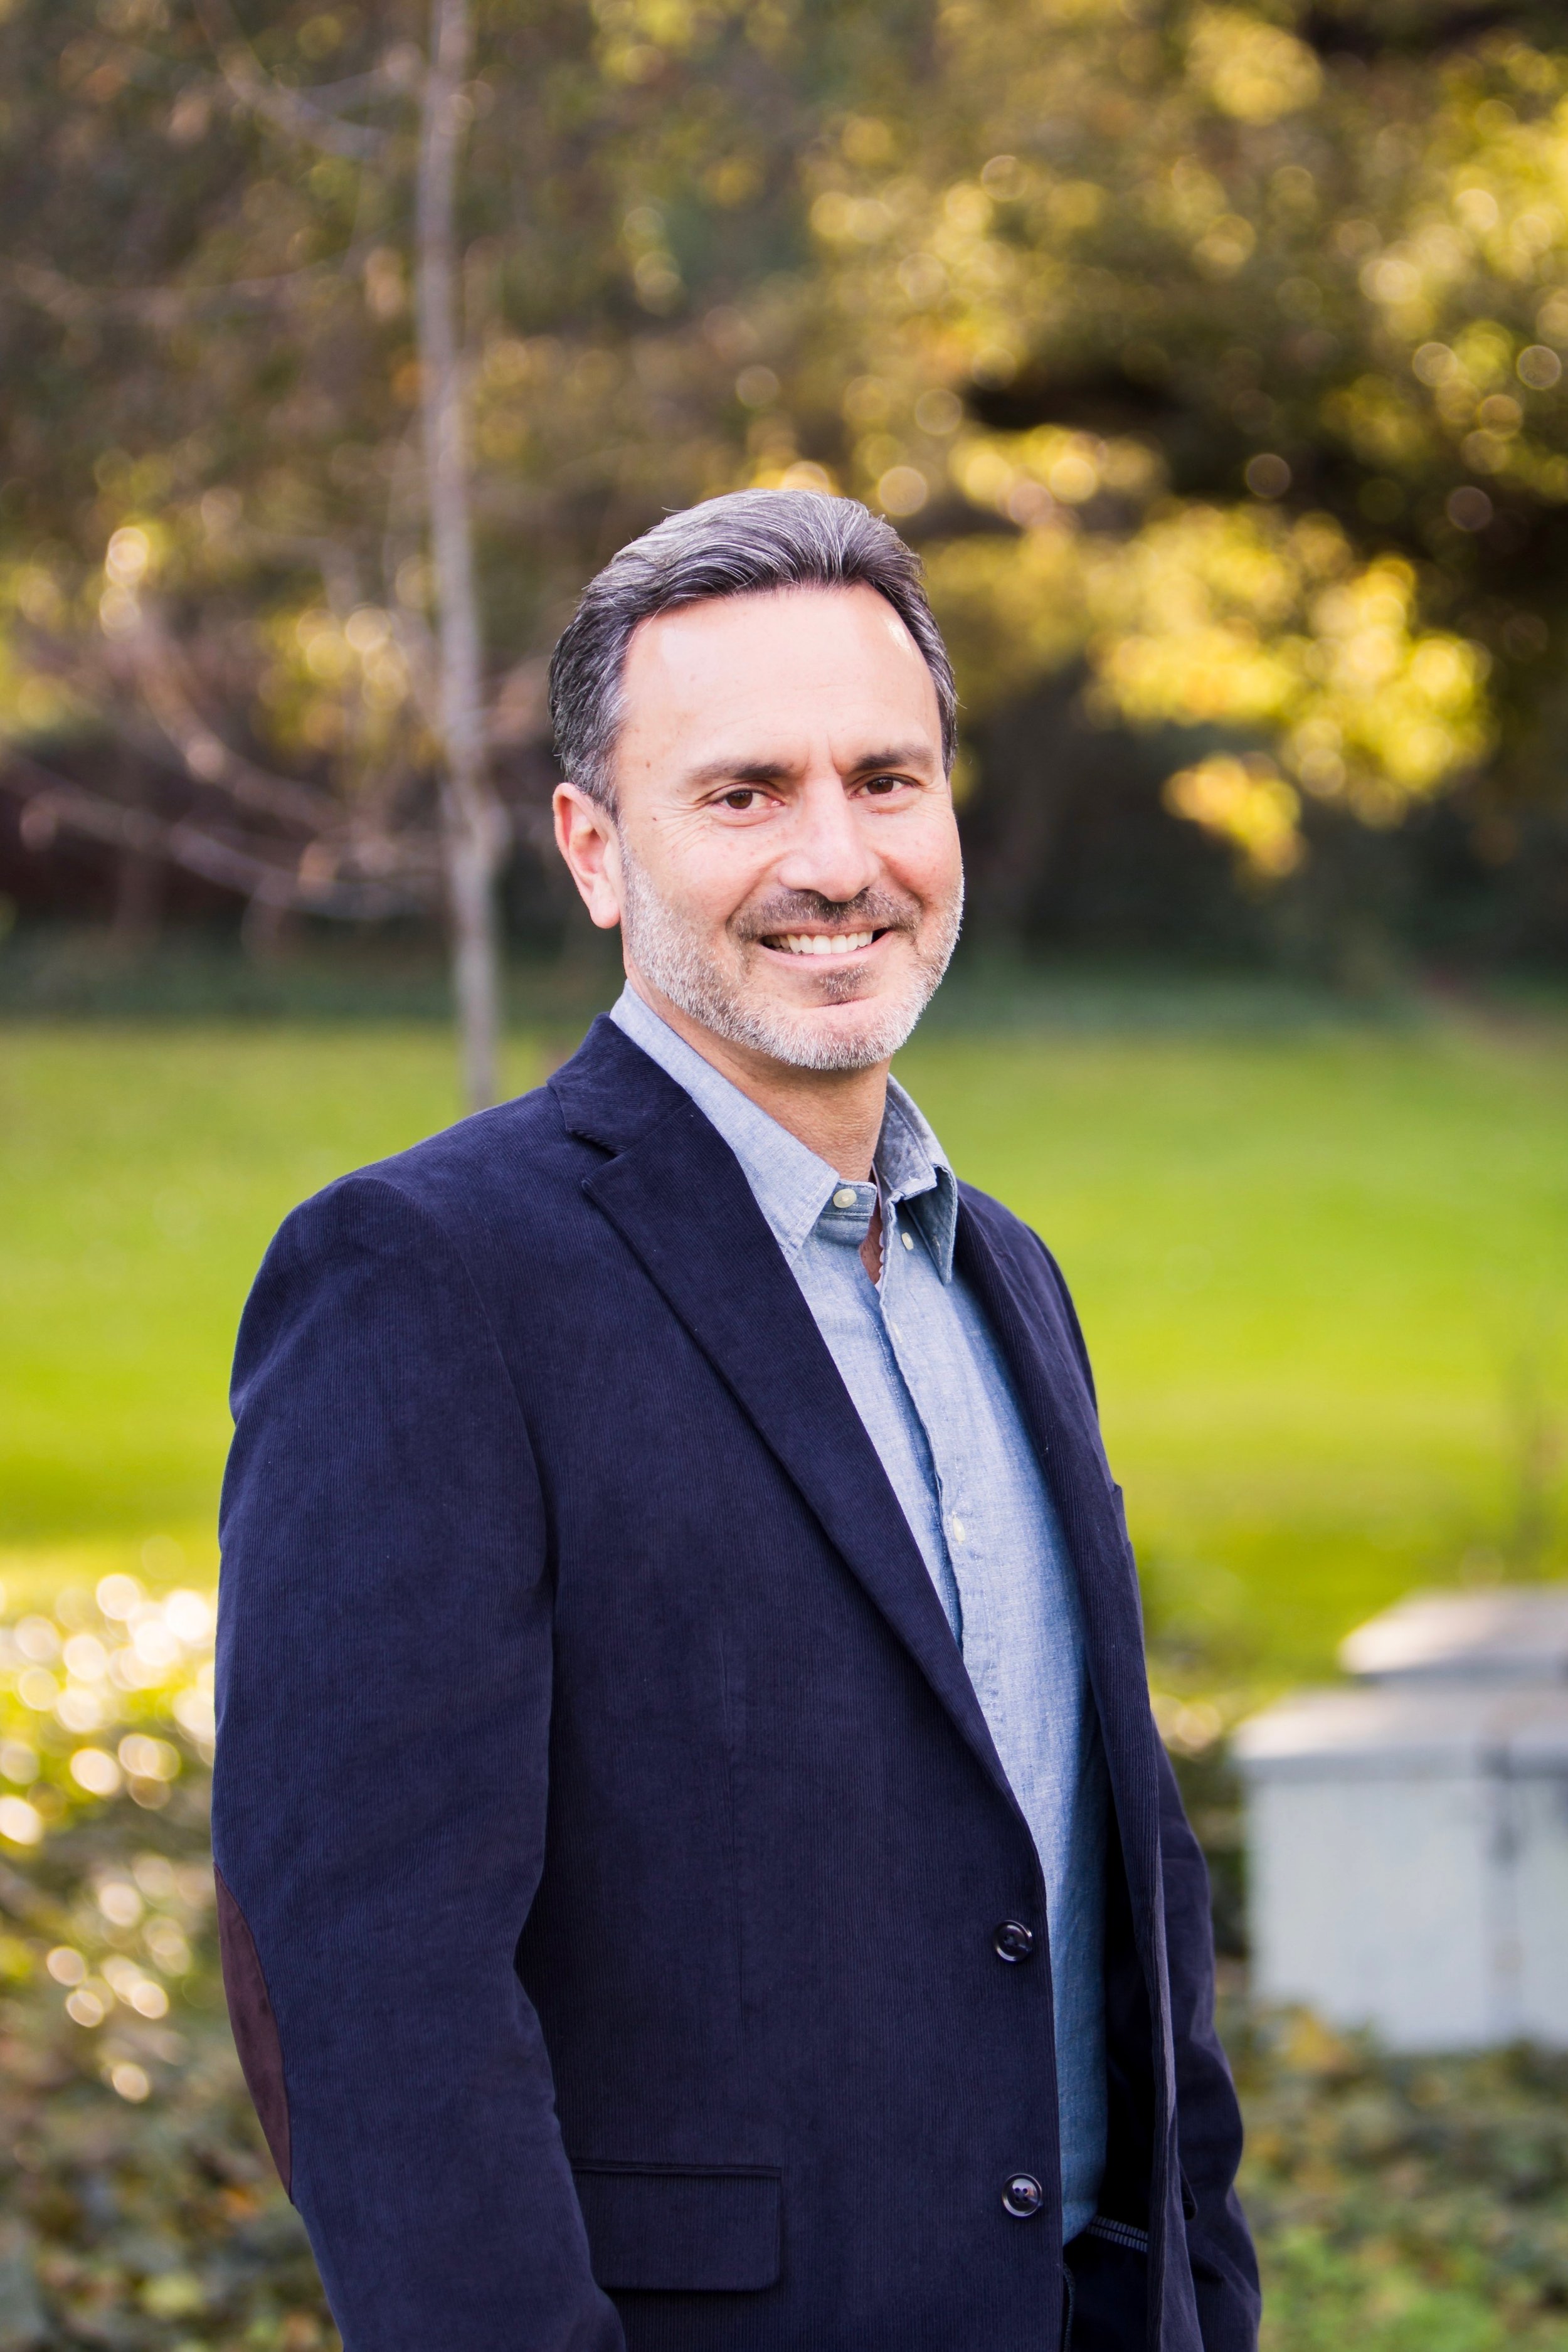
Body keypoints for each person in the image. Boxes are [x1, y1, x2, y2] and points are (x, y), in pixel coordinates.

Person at [213, 490, 1259, 2352]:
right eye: (745, 793)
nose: (837, 859)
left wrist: (1202, 2290)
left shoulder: (1003, 1276)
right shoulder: (426, 1278)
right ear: (595, 851)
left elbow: (1116, 1876)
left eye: (885, 779)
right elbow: (374, 1992)